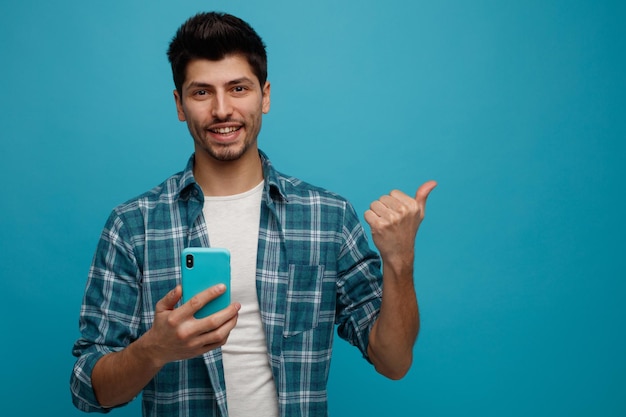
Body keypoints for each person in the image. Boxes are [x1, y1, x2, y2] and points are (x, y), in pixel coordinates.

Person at [70, 11, 437, 417]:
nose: (222, 110)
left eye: (238, 88)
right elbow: (89, 389)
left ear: (265, 95)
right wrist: (153, 349)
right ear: (179, 104)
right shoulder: (133, 226)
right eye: (201, 92)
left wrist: (400, 261)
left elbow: (394, 361)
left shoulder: (326, 218)